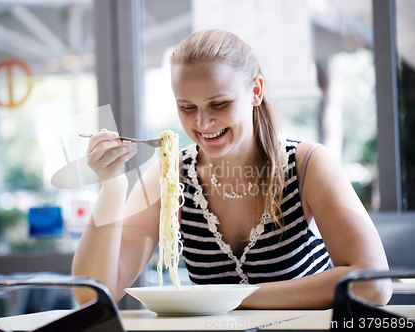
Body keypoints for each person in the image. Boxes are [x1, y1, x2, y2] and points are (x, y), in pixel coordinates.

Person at [72, 29, 392, 309]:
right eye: (187, 108)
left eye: (219, 104)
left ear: (255, 91)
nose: (202, 123)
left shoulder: (308, 165)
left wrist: (231, 299)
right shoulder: (172, 172)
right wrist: (112, 188)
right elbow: (93, 294)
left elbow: (372, 285)